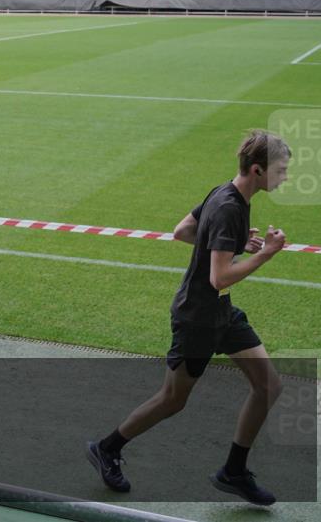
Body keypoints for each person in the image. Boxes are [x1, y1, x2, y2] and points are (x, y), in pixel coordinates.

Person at [87, 130, 290, 506]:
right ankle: (107, 448)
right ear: (258, 169)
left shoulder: (224, 193)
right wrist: (265, 253)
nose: (285, 177)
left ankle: (234, 471)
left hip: (222, 315)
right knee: (172, 399)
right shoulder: (229, 207)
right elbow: (219, 278)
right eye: (281, 170)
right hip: (198, 319)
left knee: (268, 386)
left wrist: (233, 243)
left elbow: (182, 231)